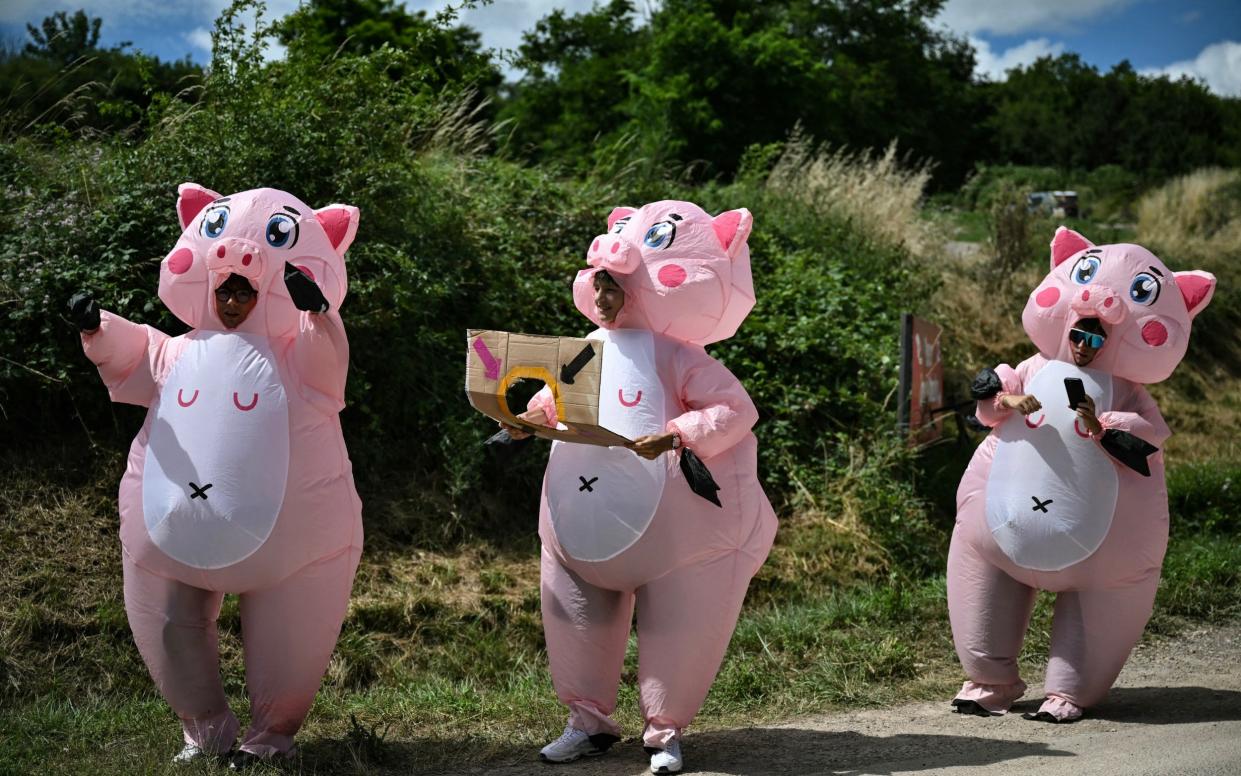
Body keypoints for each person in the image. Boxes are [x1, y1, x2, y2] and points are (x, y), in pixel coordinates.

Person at [71, 183, 363, 767]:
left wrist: (316, 312)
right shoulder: (177, 351)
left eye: (243, 292)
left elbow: (328, 365)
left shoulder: (299, 353)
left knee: (290, 636)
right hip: (168, 537)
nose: (233, 302)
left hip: (294, 548)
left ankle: (270, 735)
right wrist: (96, 328)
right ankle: (203, 727)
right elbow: (134, 351)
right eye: (224, 290)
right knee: (169, 623)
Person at [503, 201, 777, 774]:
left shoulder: (678, 355)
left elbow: (734, 409)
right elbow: (556, 403)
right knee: (577, 619)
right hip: (580, 520)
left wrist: (677, 433)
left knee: (678, 626)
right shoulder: (586, 347)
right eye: (599, 286)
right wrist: (527, 420)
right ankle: (586, 721)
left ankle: (664, 732)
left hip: (670, 533)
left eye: (617, 288)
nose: (604, 299)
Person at [948, 226, 1215, 723]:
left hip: (1104, 543)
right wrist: (1004, 398)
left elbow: (1149, 437)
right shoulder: (1032, 366)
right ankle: (988, 678)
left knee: (1103, 599)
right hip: (999, 519)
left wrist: (1102, 424)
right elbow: (988, 406)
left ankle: (1071, 689)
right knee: (981, 572)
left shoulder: (1130, 392)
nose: (1090, 337)